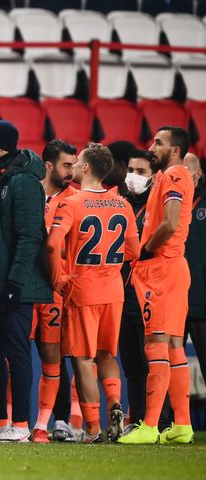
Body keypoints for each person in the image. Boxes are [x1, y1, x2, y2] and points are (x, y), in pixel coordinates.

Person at [47, 143, 139, 443]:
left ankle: (91, 429)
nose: (72, 168)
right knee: (107, 354)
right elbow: (133, 251)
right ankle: (115, 404)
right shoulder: (123, 204)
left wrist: (58, 278)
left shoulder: (72, 203)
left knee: (83, 359)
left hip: (82, 288)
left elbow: (52, 244)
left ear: (86, 167)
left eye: (78, 163)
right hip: (113, 289)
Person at [0, 120, 52, 442]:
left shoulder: (24, 182)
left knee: (16, 351)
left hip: (16, 284)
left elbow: (30, 237)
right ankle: (0, 423)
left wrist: (15, 284)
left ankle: (20, 426)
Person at [119, 126, 195, 445]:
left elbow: (172, 222)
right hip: (172, 268)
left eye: (159, 143)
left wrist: (147, 249)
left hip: (162, 268)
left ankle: (150, 426)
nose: (152, 147)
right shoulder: (169, 175)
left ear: (175, 150)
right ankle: (182, 425)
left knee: (156, 344)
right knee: (174, 346)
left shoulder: (174, 175)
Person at [31, 140, 77, 443]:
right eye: (66, 165)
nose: (71, 171)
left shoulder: (77, 199)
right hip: (26, 286)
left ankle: (58, 421)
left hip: (58, 291)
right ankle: (11, 421)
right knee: (14, 356)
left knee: (55, 357)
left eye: (74, 165)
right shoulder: (29, 192)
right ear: (49, 166)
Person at [120, 149, 158, 433]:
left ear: (154, 177)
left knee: (152, 363)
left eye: (141, 172)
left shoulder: (158, 209)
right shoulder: (120, 205)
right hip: (120, 292)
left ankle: (160, 421)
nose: (133, 176)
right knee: (132, 364)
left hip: (148, 292)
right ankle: (136, 420)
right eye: (131, 170)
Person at [184, 152, 206, 387]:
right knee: (167, 363)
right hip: (174, 300)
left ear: (198, 174)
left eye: (186, 170)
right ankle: (164, 419)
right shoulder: (168, 201)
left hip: (201, 301)